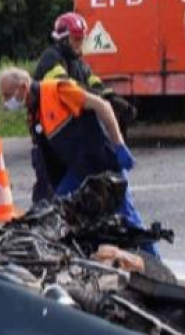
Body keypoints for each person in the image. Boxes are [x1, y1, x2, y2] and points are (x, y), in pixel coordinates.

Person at [0, 66, 155, 255]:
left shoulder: (58, 91)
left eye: (7, 95)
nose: (6, 101)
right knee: (59, 214)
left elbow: (103, 106)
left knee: (128, 218)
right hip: (78, 171)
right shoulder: (33, 112)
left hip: (101, 164)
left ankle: (157, 264)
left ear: (23, 88)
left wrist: (119, 145)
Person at [31, 12, 136, 202]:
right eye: (76, 39)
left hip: (69, 137)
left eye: (82, 39)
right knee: (48, 192)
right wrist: (98, 101)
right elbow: (66, 88)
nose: (80, 43)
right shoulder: (51, 58)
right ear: (62, 39)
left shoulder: (78, 62)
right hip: (50, 137)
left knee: (76, 187)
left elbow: (94, 83)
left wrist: (113, 99)